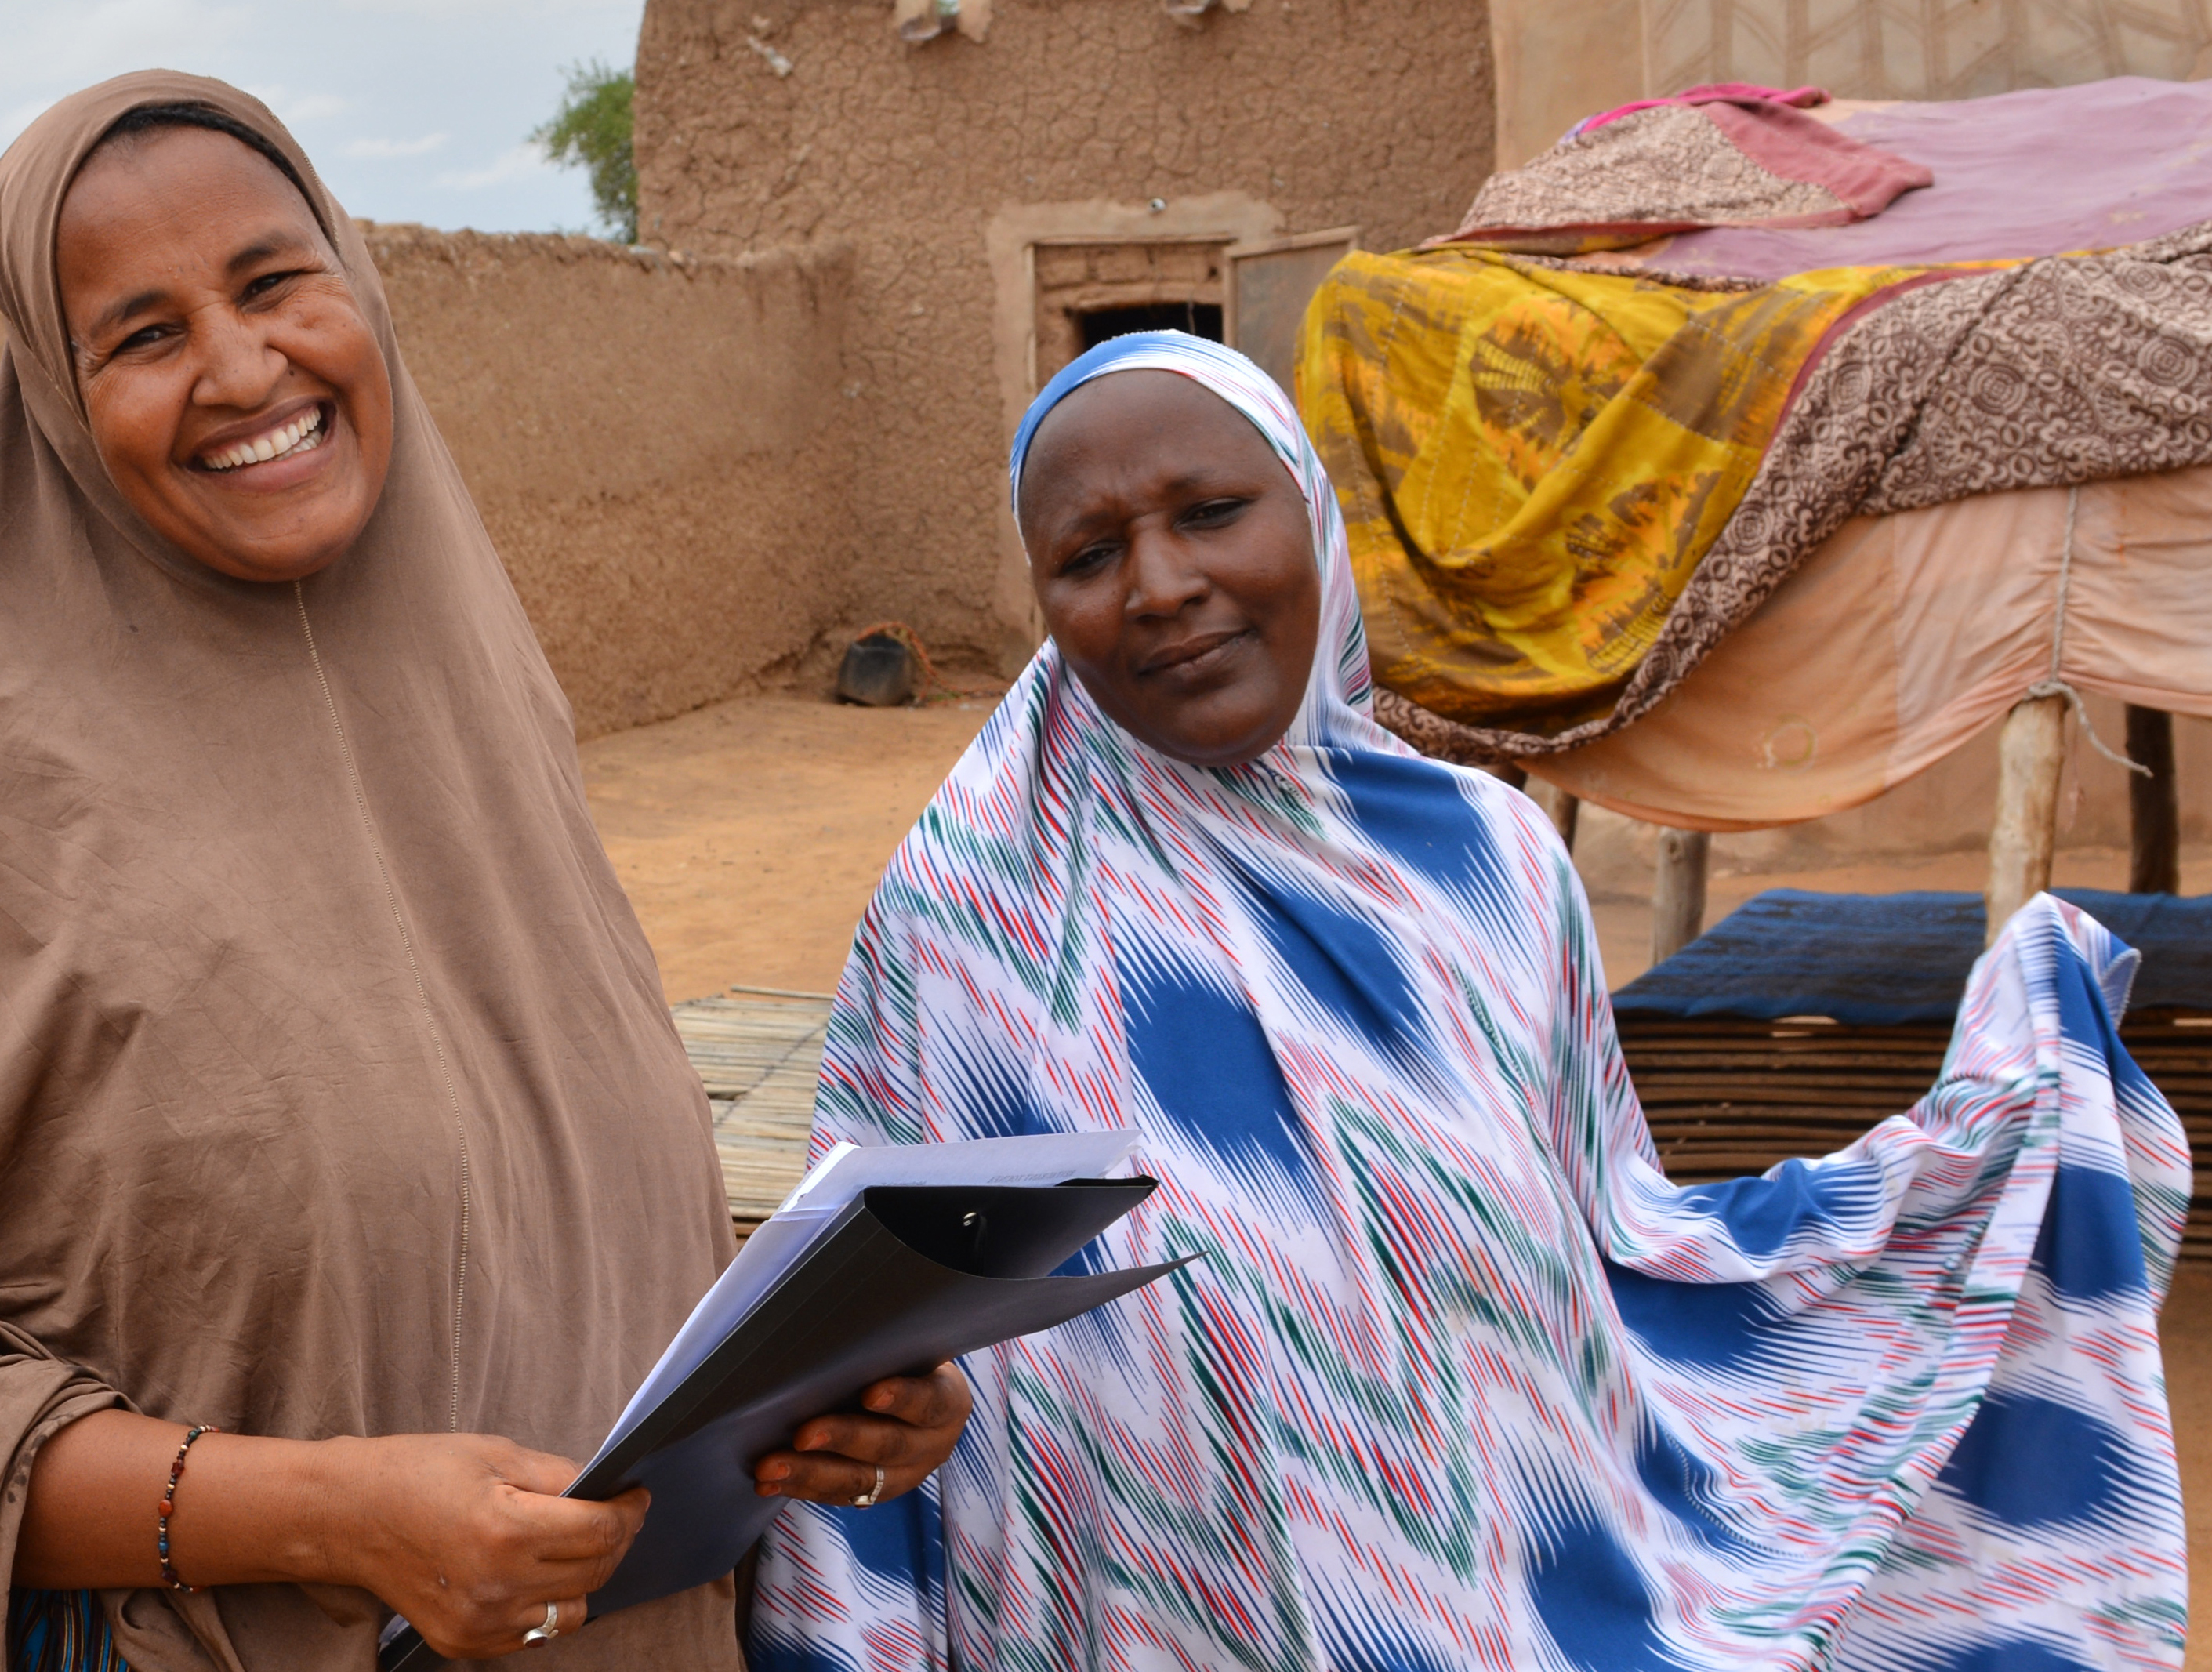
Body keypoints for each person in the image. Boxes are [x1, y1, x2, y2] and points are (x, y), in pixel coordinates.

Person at [0, 72, 968, 1672]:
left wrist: (807, 1378)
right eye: (143, 334)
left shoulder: (480, 700)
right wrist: (321, 1514)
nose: (243, 370)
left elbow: (502, 1216)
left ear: (359, 288)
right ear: (56, 396)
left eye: (271, 283)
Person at [747, 332, 2192, 1671]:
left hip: (1502, 1594)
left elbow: (1616, 1235)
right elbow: (856, 1356)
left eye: (1208, 511)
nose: (1161, 584)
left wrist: (1974, 1159)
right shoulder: (969, 914)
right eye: (1087, 552)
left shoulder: (1490, 865)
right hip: (1132, 1609)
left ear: (1310, 515)